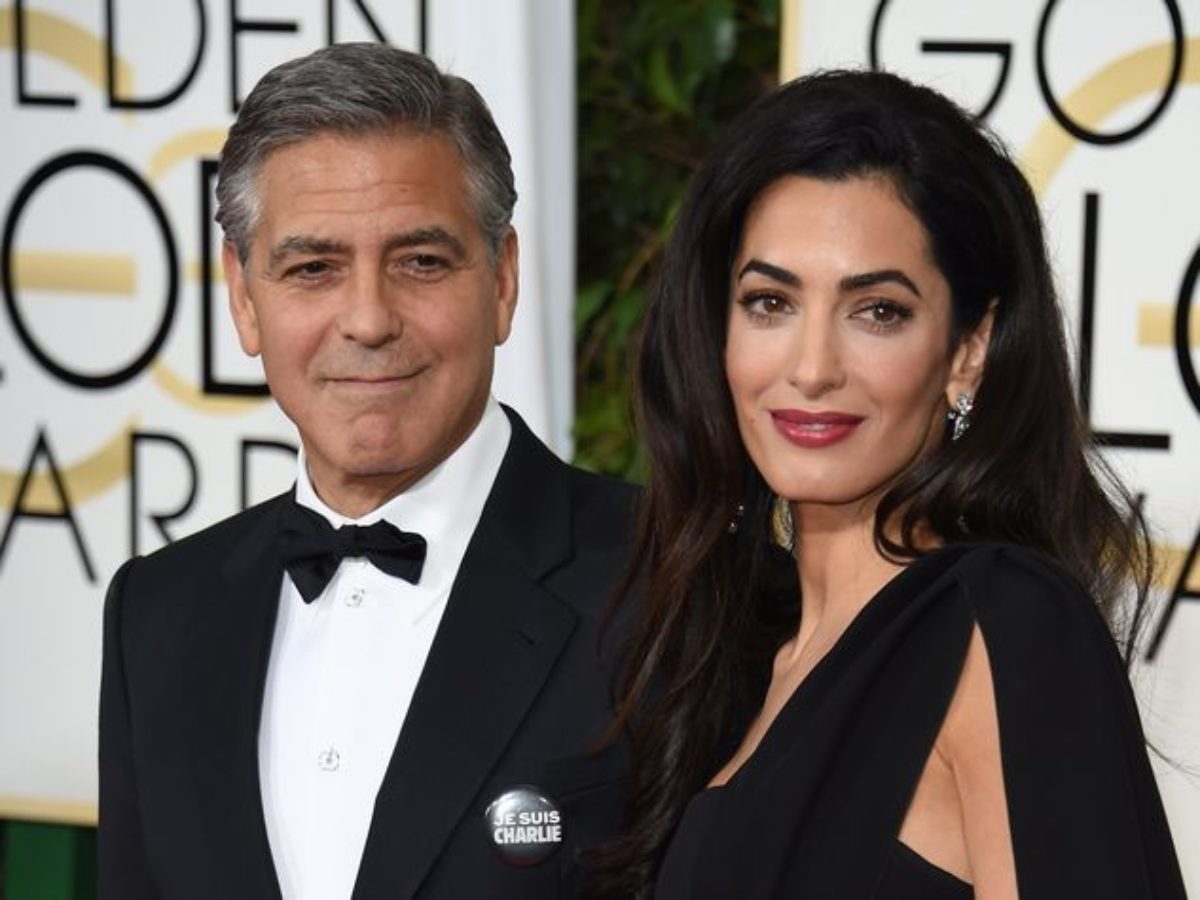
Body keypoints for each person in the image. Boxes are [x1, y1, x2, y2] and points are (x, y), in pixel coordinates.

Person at [594, 70, 1186, 898]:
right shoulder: (741, 657)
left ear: (968, 351)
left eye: (878, 311)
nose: (812, 368)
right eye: (769, 302)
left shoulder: (1005, 619)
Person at [99, 43, 636, 899]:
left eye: (420, 262)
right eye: (313, 268)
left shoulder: (672, 583)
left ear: (502, 279)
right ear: (243, 297)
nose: (369, 320)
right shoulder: (156, 614)